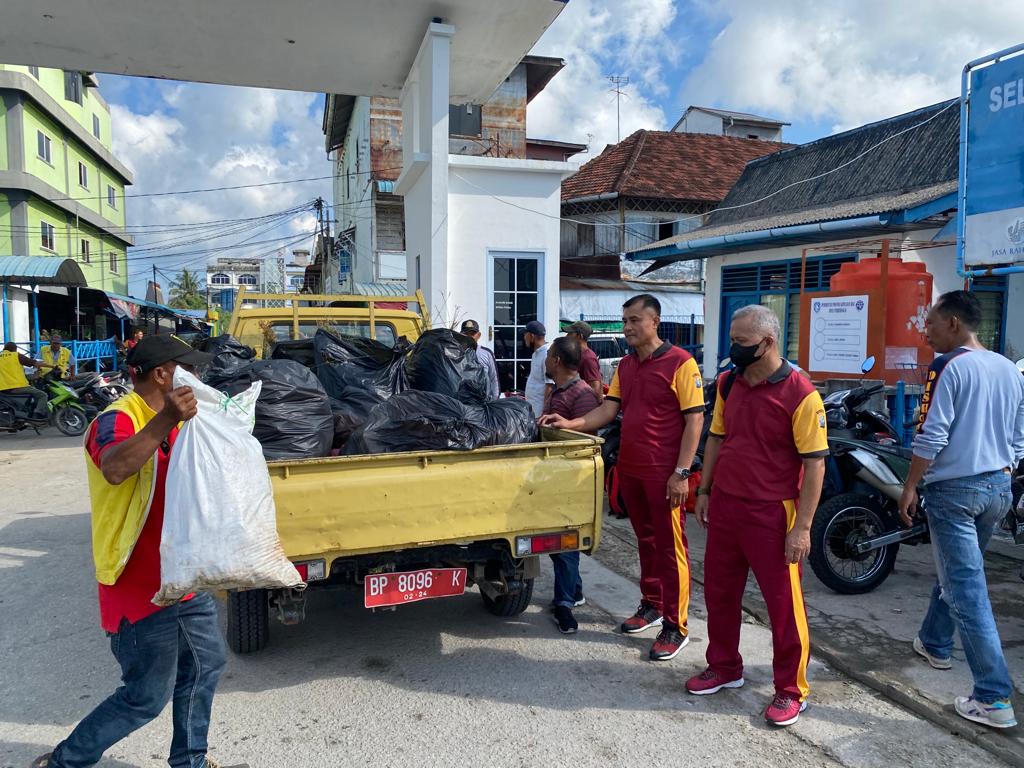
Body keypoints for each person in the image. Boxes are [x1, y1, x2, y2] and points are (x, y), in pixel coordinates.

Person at [33, 335, 248, 768]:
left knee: (206, 667)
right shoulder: (115, 420)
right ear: (163, 374)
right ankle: (64, 761)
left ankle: (189, 760)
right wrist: (164, 420)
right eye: (190, 368)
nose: (198, 376)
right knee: (144, 697)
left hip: (185, 576)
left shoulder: (186, 421)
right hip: (138, 583)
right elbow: (114, 467)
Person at [540, 295, 704, 661]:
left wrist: (682, 471)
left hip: (665, 474)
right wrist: (572, 424)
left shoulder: (682, 363)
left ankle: (676, 626)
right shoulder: (627, 367)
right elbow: (608, 409)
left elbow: (695, 420)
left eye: (634, 320)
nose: (627, 327)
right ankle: (652, 604)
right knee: (645, 540)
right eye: (624, 320)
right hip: (632, 469)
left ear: (655, 321)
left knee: (670, 546)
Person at [686, 304, 827, 728]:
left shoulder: (802, 394)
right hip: (727, 506)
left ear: (767, 343)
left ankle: (791, 690)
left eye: (741, 342)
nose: (733, 349)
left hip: (773, 513)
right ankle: (725, 666)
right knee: (719, 593)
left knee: (784, 606)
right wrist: (705, 490)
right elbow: (716, 437)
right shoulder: (730, 382)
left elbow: (815, 465)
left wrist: (802, 528)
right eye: (732, 339)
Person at [898, 290, 1024, 730]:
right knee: (957, 573)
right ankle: (934, 642)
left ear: (953, 323)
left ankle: (992, 696)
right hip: (997, 487)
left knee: (968, 589)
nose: (925, 330)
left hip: (955, 491)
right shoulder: (1009, 369)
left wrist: (910, 484)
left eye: (930, 323)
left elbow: (931, 435)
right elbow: (1019, 434)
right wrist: (1005, 468)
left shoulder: (948, 367)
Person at [542, 336, 601, 634]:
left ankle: (563, 603)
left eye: (549, 354)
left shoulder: (583, 395)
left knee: (565, 543)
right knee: (559, 543)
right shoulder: (557, 389)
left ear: (557, 361)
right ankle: (574, 591)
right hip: (554, 477)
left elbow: (587, 440)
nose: (546, 359)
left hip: (574, 482)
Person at [0, 341, 49, 421]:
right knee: (42, 395)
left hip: (2, 389)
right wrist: (52, 366)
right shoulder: (16, 355)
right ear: (15, 349)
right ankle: (37, 416)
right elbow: (34, 363)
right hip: (17, 387)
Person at [461, 319, 500, 400]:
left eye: (472, 334)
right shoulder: (456, 354)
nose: (469, 337)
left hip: (483, 401)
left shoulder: (486, 353)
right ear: (461, 335)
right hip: (462, 402)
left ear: (478, 335)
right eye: (466, 334)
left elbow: (494, 378)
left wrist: (495, 400)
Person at [566, 321, 604, 401]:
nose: (567, 336)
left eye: (570, 333)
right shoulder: (579, 354)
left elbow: (595, 389)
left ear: (580, 336)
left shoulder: (588, 358)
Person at [523, 320, 553, 416]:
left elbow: (549, 385)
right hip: (533, 407)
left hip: (540, 410)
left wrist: (545, 411)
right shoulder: (537, 353)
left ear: (531, 336)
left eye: (525, 334)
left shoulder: (546, 354)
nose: (524, 338)